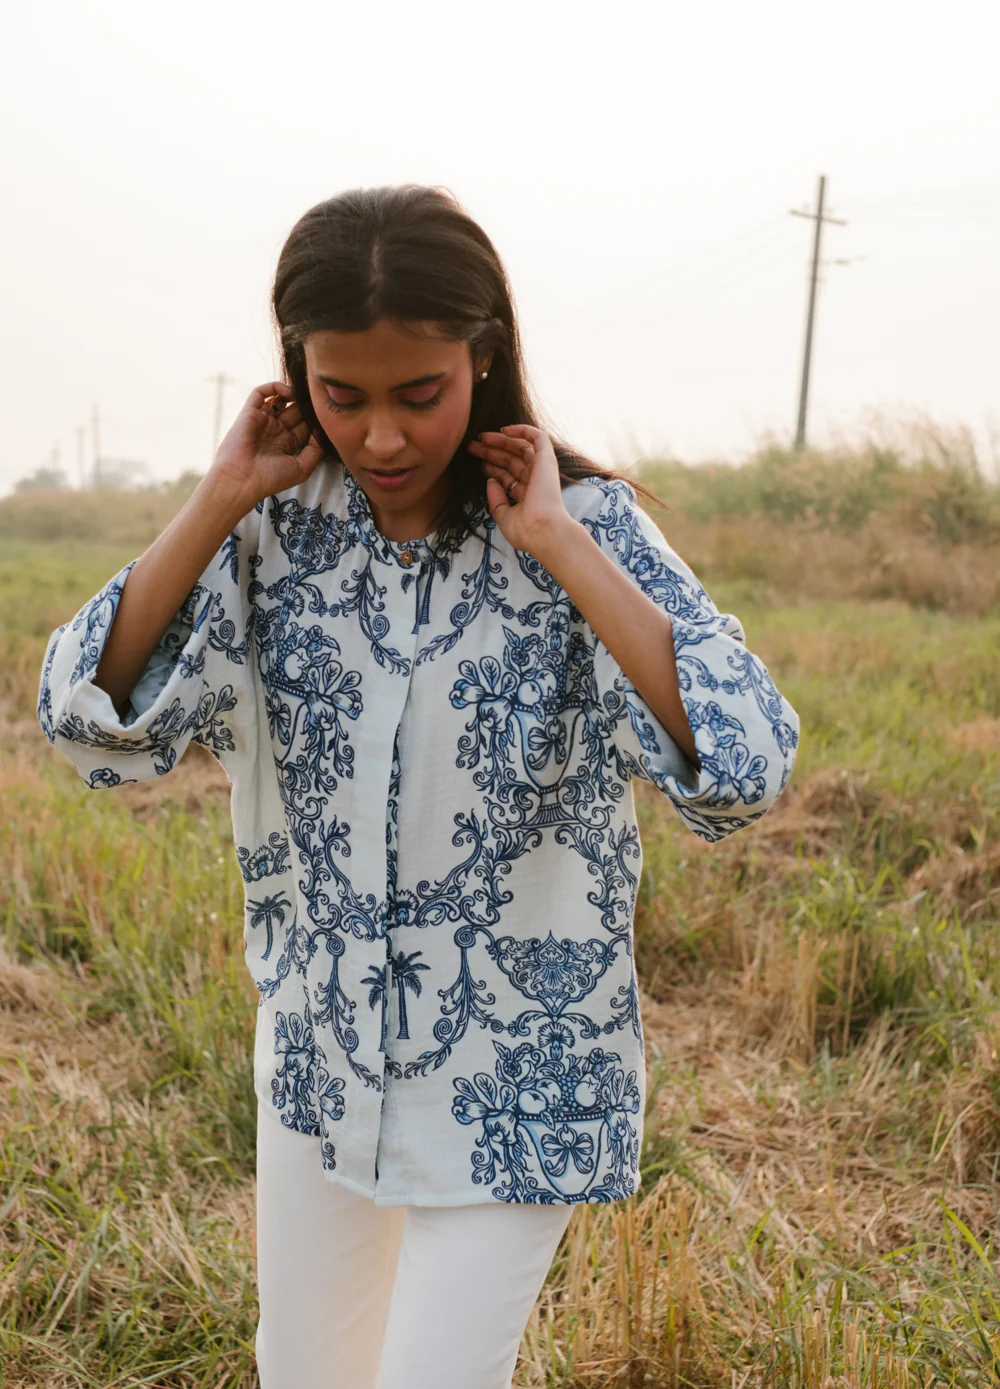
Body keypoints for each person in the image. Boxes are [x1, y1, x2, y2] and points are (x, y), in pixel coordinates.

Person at [37, 184, 800, 1389]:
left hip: (520, 1075)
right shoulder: (271, 535)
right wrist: (220, 496)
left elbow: (745, 763)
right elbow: (91, 716)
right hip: (318, 1062)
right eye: (343, 396)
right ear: (296, 372)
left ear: (482, 359)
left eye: (418, 395)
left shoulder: (580, 527)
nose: (380, 436)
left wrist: (558, 546)